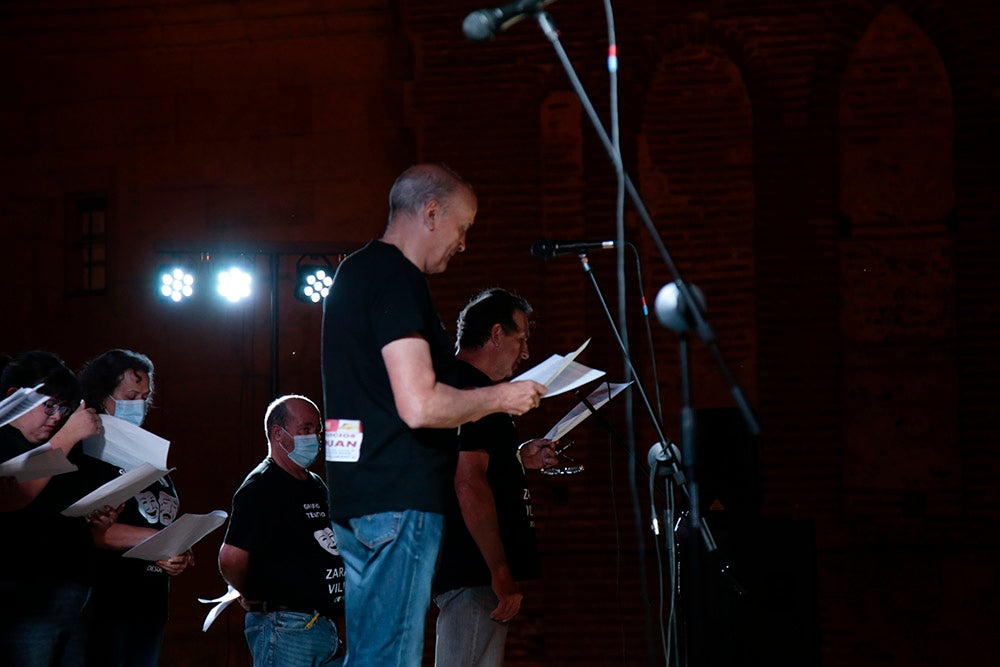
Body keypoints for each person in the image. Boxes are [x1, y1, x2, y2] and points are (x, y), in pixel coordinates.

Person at [321, 163, 547, 666]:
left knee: (369, 655)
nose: (464, 243)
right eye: (463, 227)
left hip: (356, 497)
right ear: (430, 213)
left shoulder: (354, 272)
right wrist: (501, 397)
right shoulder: (398, 278)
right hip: (398, 503)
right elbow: (419, 404)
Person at [433, 288, 559, 667]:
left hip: (475, 571)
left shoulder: (473, 390)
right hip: (473, 571)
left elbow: (470, 459)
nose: (525, 353)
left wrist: (517, 458)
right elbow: (467, 480)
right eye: (520, 338)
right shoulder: (470, 391)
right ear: (496, 334)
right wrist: (499, 569)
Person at [78, 349, 194, 667]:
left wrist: (177, 549)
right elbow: (92, 532)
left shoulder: (148, 450)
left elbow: (158, 516)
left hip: (151, 601)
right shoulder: (89, 450)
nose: (139, 405)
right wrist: (157, 541)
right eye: (130, 396)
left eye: (145, 397)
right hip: (110, 602)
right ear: (103, 395)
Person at [0, 350, 110, 667]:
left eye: (62, 408)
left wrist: (97, 516)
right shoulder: (5, 440)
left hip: (72, 595)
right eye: (49, 404)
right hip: (26, 602)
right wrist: (70, 433)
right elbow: (15, 494)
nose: (56, 416)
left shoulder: (48, 450)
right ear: (14, 397)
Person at [219, 394, 346, 667]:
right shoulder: (261, 487)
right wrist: (251, 592)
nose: (315, 438)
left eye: (317, 431)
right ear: (278, 433)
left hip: (323, 624)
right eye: (306, 430)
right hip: (286, 627)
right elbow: (230, 558)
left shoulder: (314, 484)